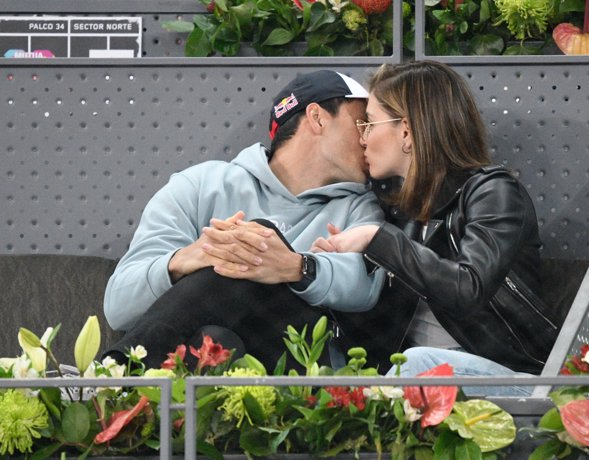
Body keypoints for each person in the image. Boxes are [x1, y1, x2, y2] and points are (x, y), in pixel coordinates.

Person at [102, 70, 386, 368]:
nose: (370, 139)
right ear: (317, 118)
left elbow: (365, 287)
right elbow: (119, 307)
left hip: (303, 370)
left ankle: (111, 377)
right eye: (362, 124)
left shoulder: (360, 208)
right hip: (206, 373)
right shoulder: (199, 186)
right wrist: (185, 261)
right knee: (214, 337)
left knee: (256, 240)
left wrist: (294, 267)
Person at [310, 61, 562, 395]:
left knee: (416, 366)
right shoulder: (403, 212)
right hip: (423, 383)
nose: (362, 138)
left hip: (514, 378)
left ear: (406, 132)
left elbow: (467, 289)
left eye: (370, 123)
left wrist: (377, 239)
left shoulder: (493, 192)